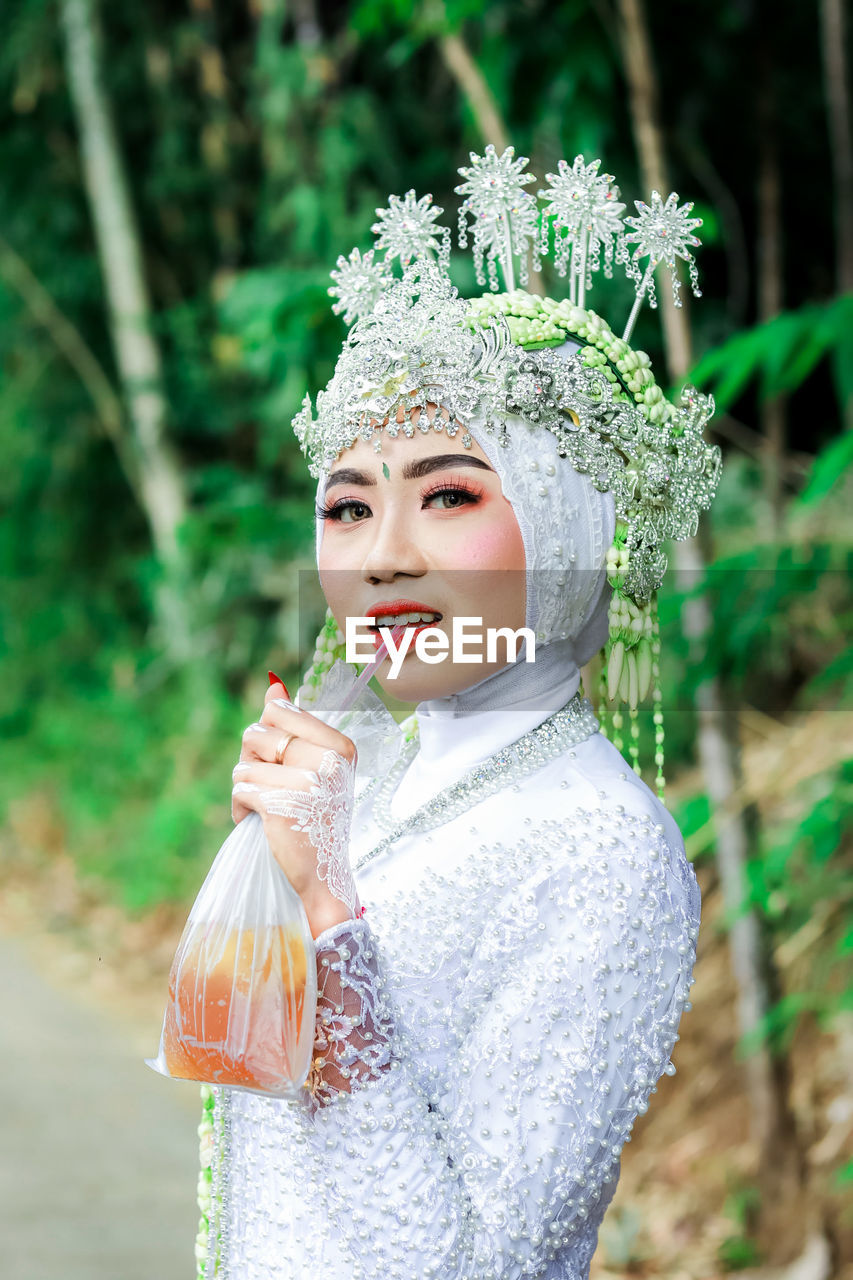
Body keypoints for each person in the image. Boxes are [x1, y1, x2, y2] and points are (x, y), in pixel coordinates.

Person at [197, 147, 721, 1280]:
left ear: (569, 528)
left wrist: (328, 906)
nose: (382, 555)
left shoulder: (600, 844)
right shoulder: (372, 771)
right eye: (347, 504)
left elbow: (466, 1263)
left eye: (447, 493)